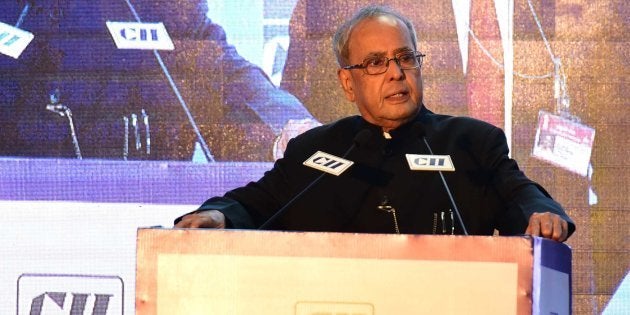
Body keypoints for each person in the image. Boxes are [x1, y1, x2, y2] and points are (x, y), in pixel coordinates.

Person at [175, 5, 574, 241]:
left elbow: (519, 194)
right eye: (376, 63)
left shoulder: (471, 142)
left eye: (405, 58)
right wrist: (219, 214)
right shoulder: (315, 151)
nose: (396, 73)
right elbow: (256, 201)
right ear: (348, 82)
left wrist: (540, 213)